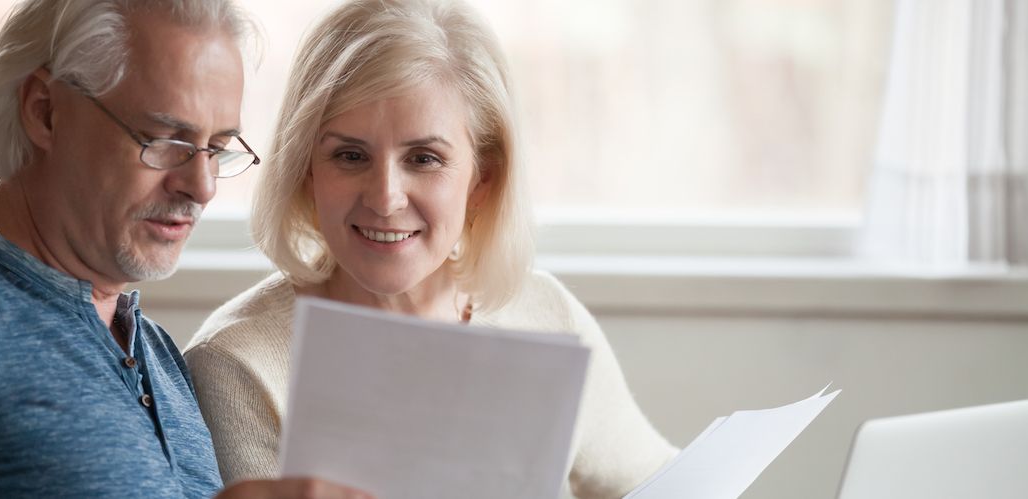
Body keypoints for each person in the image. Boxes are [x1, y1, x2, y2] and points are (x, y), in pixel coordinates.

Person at [184, 0, 679, 497]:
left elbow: (660, 482)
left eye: (424, 158)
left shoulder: (544, 313)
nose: (384, 197)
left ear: (482, 179)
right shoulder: (238, 364)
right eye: (350, 155)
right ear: (307, 169)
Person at [0, 1, 371, 498]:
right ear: (44, 112)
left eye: (217, 148)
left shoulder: (155, 352)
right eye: (165, 141)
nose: (201, 187)